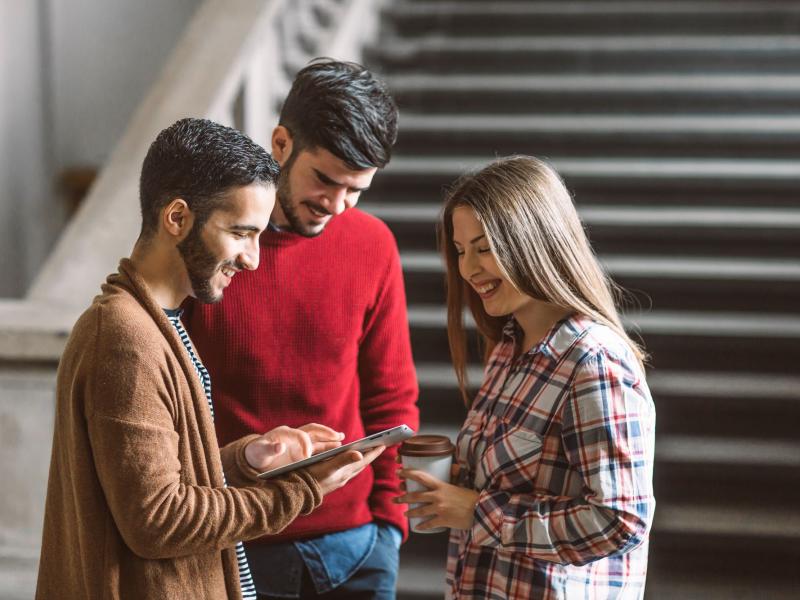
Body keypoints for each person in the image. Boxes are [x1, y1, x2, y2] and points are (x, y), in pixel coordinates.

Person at [36, 118, 384, 600]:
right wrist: (301, 491)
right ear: (177, 218)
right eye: (241, 233)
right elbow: (158, 521)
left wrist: (248, 458)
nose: (253, 259)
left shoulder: (158, 321)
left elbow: (155, 483)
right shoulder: (125, 337)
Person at [183, 59, 419, 599]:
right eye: (326, 181)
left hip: (357, 549)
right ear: (282, 144)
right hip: (233, 539)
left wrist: (388, 528)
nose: (337, 206)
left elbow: (393, 397)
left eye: (356, 189)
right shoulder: (212, 242)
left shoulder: (373, 245)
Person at [397, 156, 656, 599]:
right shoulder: (509, 346)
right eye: (461, 251)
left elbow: (620, 521)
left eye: (483, 248)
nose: (468, 269)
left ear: (534, 242)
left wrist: (477, 512)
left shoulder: (593, 362)